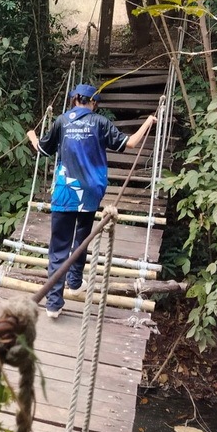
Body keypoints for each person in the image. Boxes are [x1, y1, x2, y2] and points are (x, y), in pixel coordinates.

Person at [26, 84, 157, 318]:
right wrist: (148, 122)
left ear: (74, 100)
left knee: (59, 247)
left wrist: (32, 136)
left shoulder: (61, 121)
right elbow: (130, 144)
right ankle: (75, 282)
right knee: (82, 238)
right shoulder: (100, 122)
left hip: (66, 192)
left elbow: (43, 150)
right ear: (93, 102)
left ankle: (54, 304)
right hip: (90, 193)